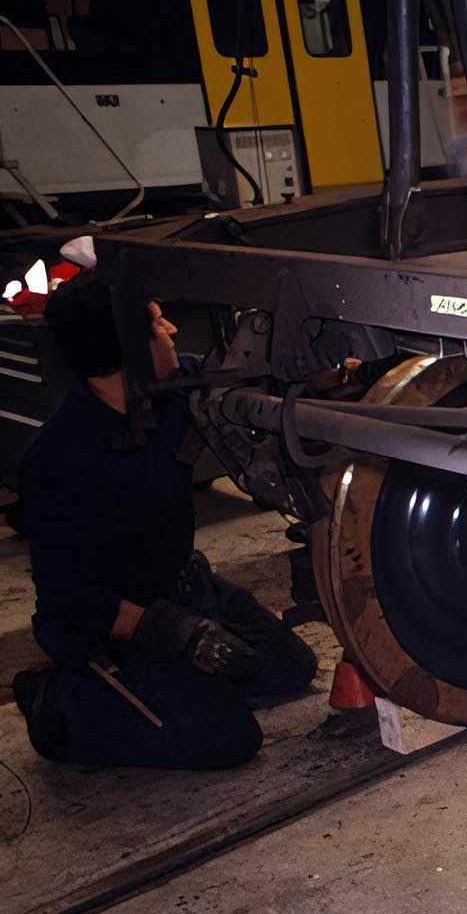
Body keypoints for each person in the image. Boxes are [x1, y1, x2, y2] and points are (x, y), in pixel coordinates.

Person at [9, 274, 317, 769]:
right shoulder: (60, 460)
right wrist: (175, 631)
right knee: (229, 738)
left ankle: (181, 684)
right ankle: (62, 702)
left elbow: (241, 382)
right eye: (156, 324)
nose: (171, 329)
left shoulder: (170, 395)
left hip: (183, 584)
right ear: (127, 346)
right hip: (114, 624)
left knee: (290, 670)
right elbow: (71, 602)